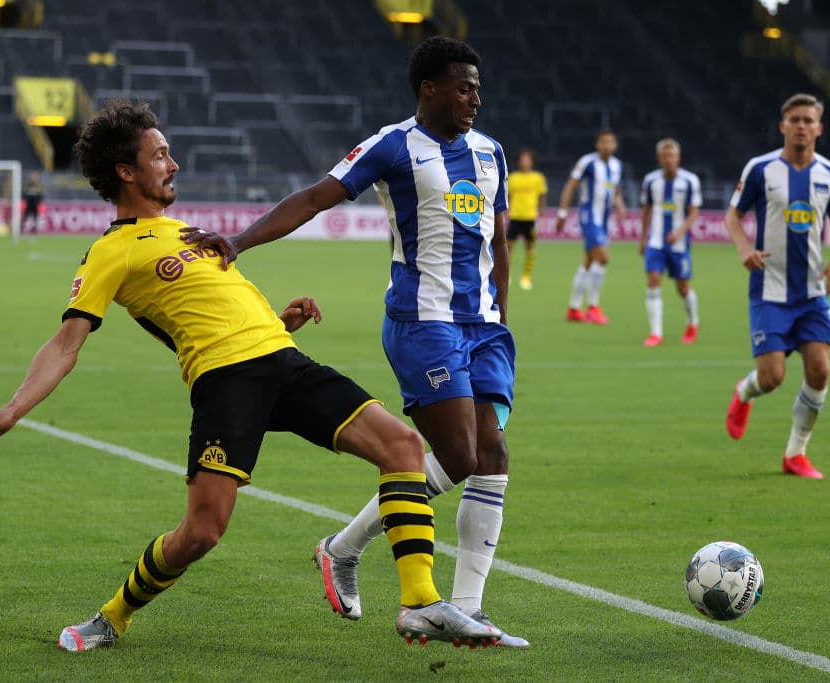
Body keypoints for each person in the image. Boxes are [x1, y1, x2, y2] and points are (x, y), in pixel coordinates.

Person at [0, 100, 500, 652]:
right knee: (203, 532)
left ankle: (420, 603)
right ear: (126, 171)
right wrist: (11, 410)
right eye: (161, 155)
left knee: (404, 447)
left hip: (283, 361)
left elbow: (213, 306)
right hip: (226, 383)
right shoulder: (109, 253)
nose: (174, 164)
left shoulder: (186, 231)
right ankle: (112, 616)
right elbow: (65, 343)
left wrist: (279, 322)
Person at [182, 36, 526, 647]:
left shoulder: (490, 151)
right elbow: (315, 198)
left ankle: (456, 601)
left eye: (478, 87)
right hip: (424, 324)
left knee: (489, 458)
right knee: (463, 457)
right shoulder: (393, 146)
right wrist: (240, 242)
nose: (476, 97)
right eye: (464, 86)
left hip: (484, 326)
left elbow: (499, 237)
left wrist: (500, 306)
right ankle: (349, 551)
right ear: (430, 89)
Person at [724, 93, 830, 479]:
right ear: (783, 126)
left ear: (819, 127)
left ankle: (795, 453)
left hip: (812, 292)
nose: (801, 126)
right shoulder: (761, 170)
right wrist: (745, 247)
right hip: (769, 291)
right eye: (794, 119)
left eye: (808, 120)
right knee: (772, 378)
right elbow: (733, 216)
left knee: (820, 370)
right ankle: (744, 393)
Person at [556, 130, 625, 324]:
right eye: (604, 142)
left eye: (611, 142)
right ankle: (593, 307)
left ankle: (574, 308)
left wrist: (620, 204)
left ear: (615, 145)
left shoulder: (617, 165)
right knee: (603, 258)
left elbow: (616, 190)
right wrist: (562, 212)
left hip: (604, 219)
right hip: (589, 217)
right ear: (597, 144)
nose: (607, 146)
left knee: (589, 262)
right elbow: (571, 185)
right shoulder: (587, 162)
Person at [638, 138, 702, 346]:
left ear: (678, 158)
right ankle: (656, 333)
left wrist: (679, 232)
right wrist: (642, 237)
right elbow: (646, 210)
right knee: (653, 282)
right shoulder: (651, 181)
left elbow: (693, 212)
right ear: (659, 159)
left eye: (672, 156)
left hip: (679, 245)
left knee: (683, 288)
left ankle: (693, 322)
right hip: (655, 243)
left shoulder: (690, 181)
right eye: (665, 156)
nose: (668, 160)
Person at [507, 148, 548, 290]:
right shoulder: (512, 178)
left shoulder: (538, 178)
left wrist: (543, 214)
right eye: (523, 159)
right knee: (508, 247)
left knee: (530, 248)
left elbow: (542, 197)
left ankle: (526, 277)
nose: (525, 162)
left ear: (532, 162)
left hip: (530, 217)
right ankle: (507, 275)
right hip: (515, 216)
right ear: (518, 162)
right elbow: (508, 197)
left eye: (528, 159)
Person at [22, 170, 44, 238]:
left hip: (35, 206)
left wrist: (38, 202)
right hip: (28, 205)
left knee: (35, 220)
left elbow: (41, 195)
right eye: (33, 176)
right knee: (24, 219)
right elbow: (23, 194)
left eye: (35, 176)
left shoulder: (39, 185)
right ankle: (20, 233)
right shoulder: (27, 185)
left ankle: (33, 234)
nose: (34, 178)